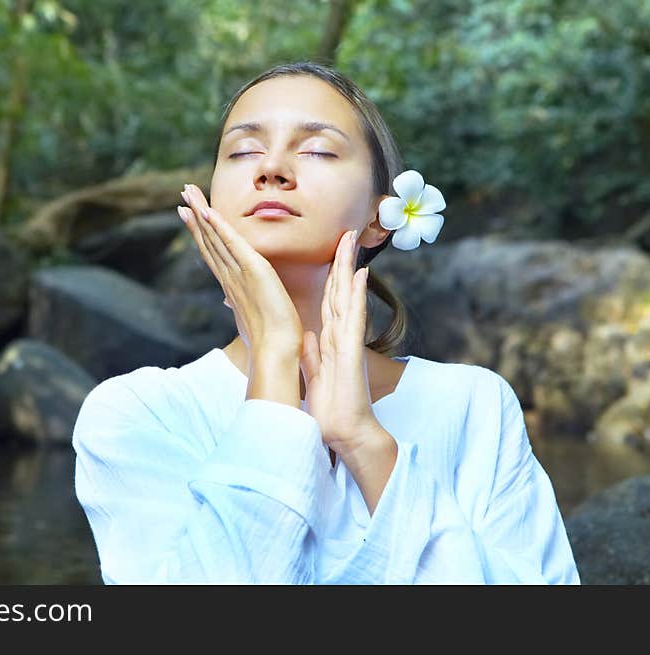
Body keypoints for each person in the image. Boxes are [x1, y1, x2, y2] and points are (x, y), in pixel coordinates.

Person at [71, 60, 581, 585]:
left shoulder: (474, 406)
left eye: (316, 149)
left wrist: (365, 444)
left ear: (379, 218)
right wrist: (272, 361)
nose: (270, 168)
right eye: (243, 151)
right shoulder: (136, 413)